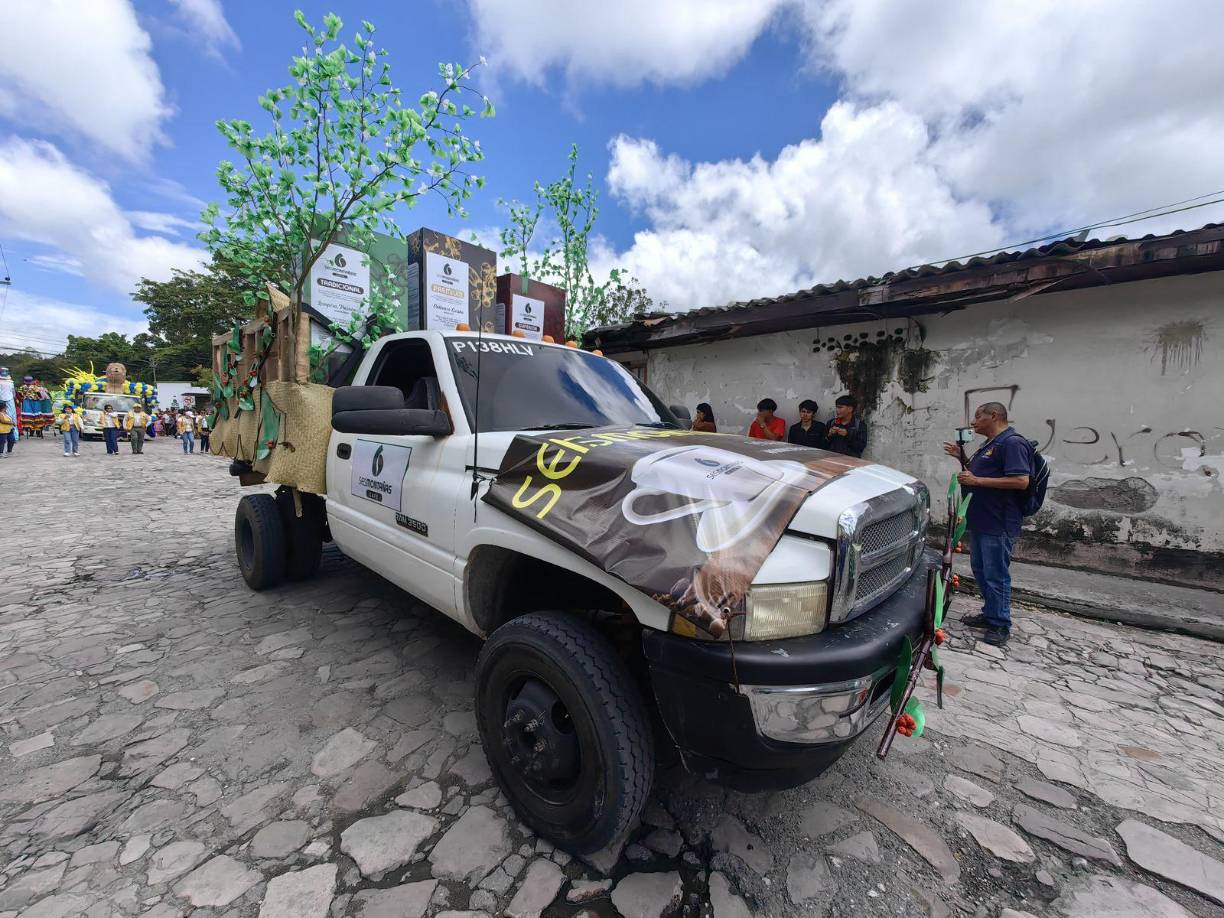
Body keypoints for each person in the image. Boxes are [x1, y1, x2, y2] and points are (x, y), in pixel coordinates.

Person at [942, 401, 1033, 647]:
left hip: (999, 521)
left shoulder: (1012, 443)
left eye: (978, 417)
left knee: (996, 574)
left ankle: (1000, 625)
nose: (973, 422)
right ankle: (990, 613)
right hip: (982, 519)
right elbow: (980, 472)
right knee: (982, 571)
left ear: (994, 416)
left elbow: (1021, 481)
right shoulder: (991, 444)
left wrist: (978, 481)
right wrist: (961, 458)